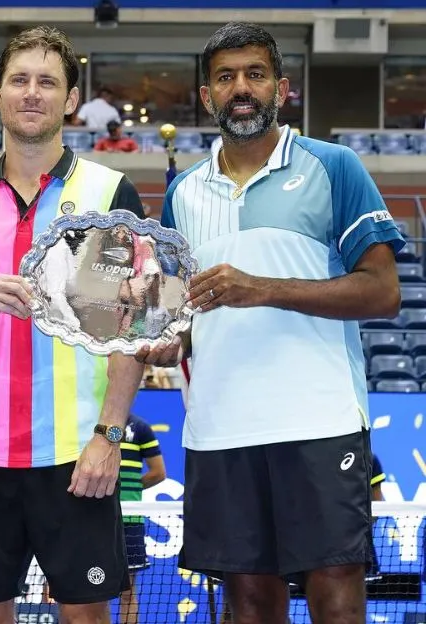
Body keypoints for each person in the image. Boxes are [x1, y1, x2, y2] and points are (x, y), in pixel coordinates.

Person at [136, 21, 405, 624]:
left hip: (318, 419)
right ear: (207, 96)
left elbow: (383, 291)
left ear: (281, 88)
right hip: (221, 426)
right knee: (249, 598)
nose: (241, 88)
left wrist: (261, 289)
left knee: (334, 586)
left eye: (255, 74)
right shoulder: (183, 193)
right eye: (225, 77)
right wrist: (164, 339)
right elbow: (180, 309)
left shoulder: (334, 166)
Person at [0, 26, 147, 624]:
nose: (32, 93)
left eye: (48, 82)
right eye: (20, 80)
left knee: (85, 616)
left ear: (71, 100)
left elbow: (131, 330)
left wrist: (110, 436)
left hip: (77, 452)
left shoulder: (108, 191)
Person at [118, 414, 166, 624]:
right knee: (92, 593)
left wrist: (129, 489)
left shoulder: (140, 428)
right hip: (94, 520)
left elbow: (158, 472)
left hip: (129, 519)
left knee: (127, 592)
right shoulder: (87, 426)